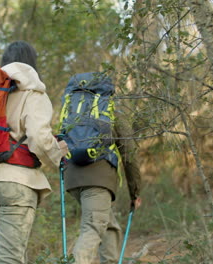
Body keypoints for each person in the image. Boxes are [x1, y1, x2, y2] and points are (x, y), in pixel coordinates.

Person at [0, 41, 68, 264]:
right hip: (15, 184)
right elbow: (39, 138)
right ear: (32, 63)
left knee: (13, 251)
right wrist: (58, 154)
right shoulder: (33, 92)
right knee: (10, 257)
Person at [62, 80, 142, 264]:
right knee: (92, 227)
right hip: (99, 180)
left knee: (109, 225)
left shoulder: (72, 112)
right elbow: (129, 153)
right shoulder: (111, 112)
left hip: (73, 179)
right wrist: (135, 192)